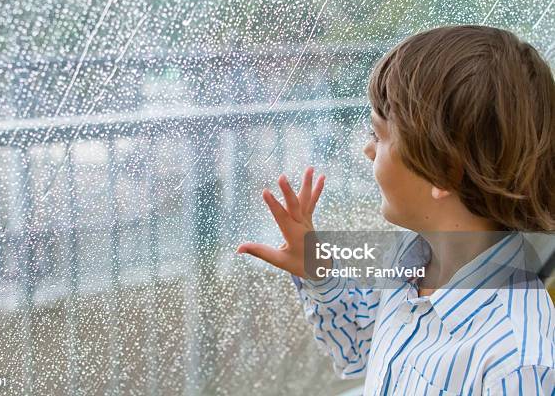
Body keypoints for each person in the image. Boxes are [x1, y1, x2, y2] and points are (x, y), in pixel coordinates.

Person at [236, 25, 554, 395]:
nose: (368, 149)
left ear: (444, 171)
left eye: (379, 134)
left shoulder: (518, 363)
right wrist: (319, 272)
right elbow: (358, 348)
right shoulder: (410, 257)